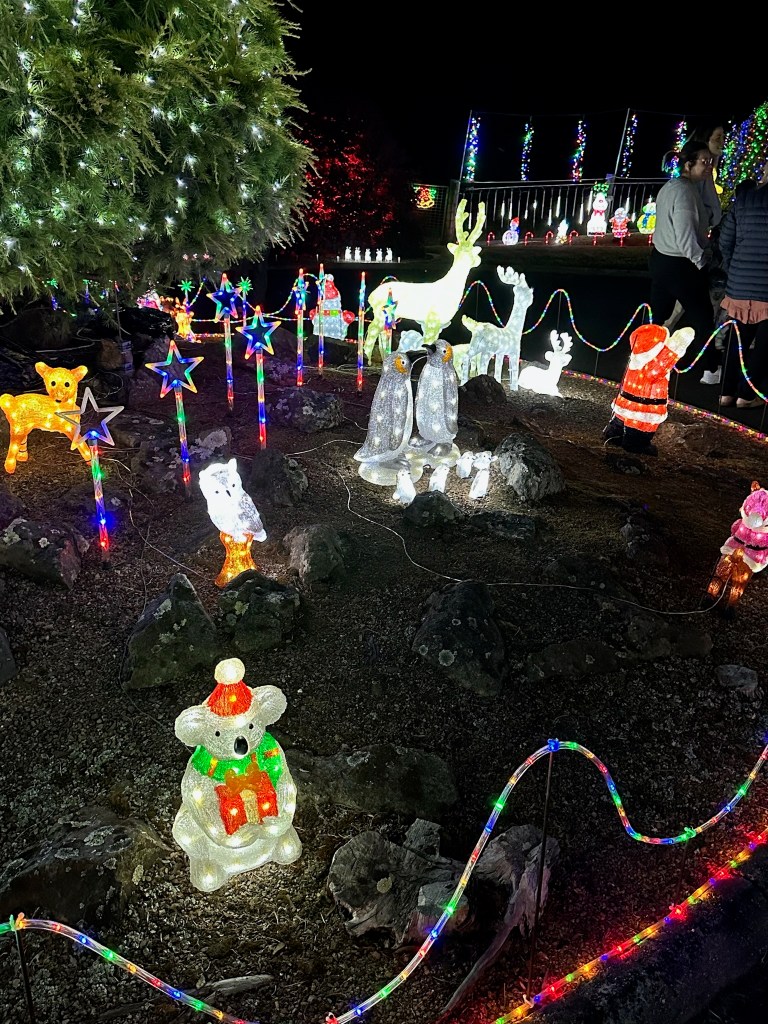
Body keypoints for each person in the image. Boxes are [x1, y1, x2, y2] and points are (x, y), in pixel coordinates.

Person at [649, 139, 717, 377]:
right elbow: (685, 235)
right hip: (681, 264)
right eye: (704, 162)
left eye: (711, 161)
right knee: (703, 318)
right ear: (688, 164)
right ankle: (709, 369)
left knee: (659, 315)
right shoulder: (685, 193)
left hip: (661, 259)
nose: (709, 166)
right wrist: (701, 262)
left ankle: (645, 361)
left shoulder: (671, 187)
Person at [716, 167, 768, 409]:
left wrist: (733, 266)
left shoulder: (745, 199)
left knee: (736, 341)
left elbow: (725, 240)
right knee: (764, 345)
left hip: (739, 283)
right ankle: (746, 395)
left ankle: (725, 393)